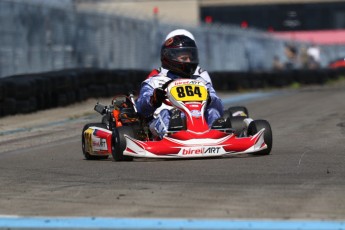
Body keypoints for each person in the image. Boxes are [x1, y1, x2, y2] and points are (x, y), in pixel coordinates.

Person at [136, 35, 224, 139]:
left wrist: (210, 99)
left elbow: (220, 107)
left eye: (191, 58)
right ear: (170, 58)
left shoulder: (201, 81)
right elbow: (140, 108)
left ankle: (218, 137)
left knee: (213, 112)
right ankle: (173, 137)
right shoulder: (154, 82)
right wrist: (153, 100)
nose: (189, 61)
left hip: (197, 120)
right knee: (166, 114)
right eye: (184, 58)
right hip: (163, 121)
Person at [146, 29, 213, 86]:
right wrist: (155, 97)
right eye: (184, 58)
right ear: (171, 56)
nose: (188, 61)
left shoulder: (200, 76)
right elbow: (144, 98)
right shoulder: (157, 77)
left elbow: (213, 98)